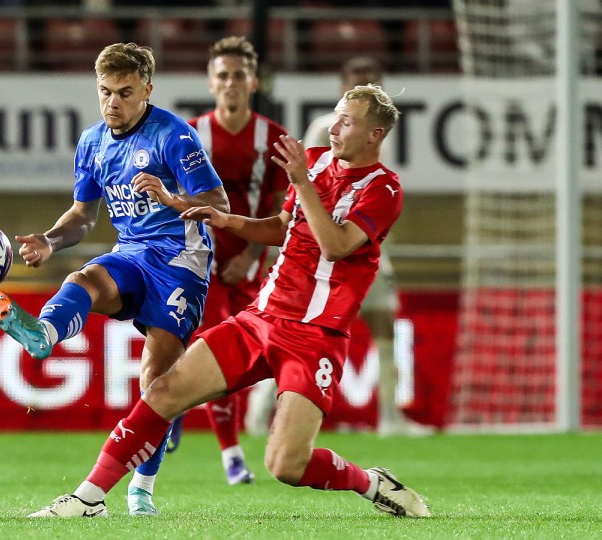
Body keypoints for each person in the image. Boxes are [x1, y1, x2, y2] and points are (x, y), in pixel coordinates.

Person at [26, 84, 431, 519]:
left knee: (286, 465)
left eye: (346, 122)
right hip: (262, 318)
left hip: (315, 335)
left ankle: (371, 483)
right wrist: (226, 219)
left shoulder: (384, 189)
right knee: (163, 391)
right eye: (335, 117)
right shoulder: (315, 163)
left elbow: (335, 245)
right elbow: (283, 226)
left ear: (375, 134)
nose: (333, 128)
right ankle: (88, 498)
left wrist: (300, 181)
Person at [0, 42, 229, 517]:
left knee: (156, 384)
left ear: (147, 90)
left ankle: (142, 488)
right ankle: (44, 333)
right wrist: (50, 241)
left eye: (124, 92)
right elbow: (82, 215)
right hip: (132, 252)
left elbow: (219, 205)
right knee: (86, 278)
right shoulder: (92, 142)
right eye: (105, 92)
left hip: (182, 261)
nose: (112, 102)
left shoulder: (174, 136)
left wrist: (170, 197)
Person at [243, 56, 426, 437]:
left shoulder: (380, 131)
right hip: (322, 249)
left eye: (372, 80)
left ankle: (390, 417)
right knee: (292, 334)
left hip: (363, 246)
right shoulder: (325, 128)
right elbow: (307, 185)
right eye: (358, 81)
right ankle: (259, 413)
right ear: (342, 87)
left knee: (384, 324)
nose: (367, 86)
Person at [168, 35, 290, 486]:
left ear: (253, 82)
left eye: (239, 75)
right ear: (210, 82)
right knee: (217, 346)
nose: (231, 83)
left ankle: (174, 401)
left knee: (240, 361)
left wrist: (253, 254)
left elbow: (282, 210)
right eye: (223, 75)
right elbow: (172, 200)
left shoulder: (272, 139)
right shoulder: (189, 135)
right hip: (200, 261)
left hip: (251, 265)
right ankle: (232, 455)